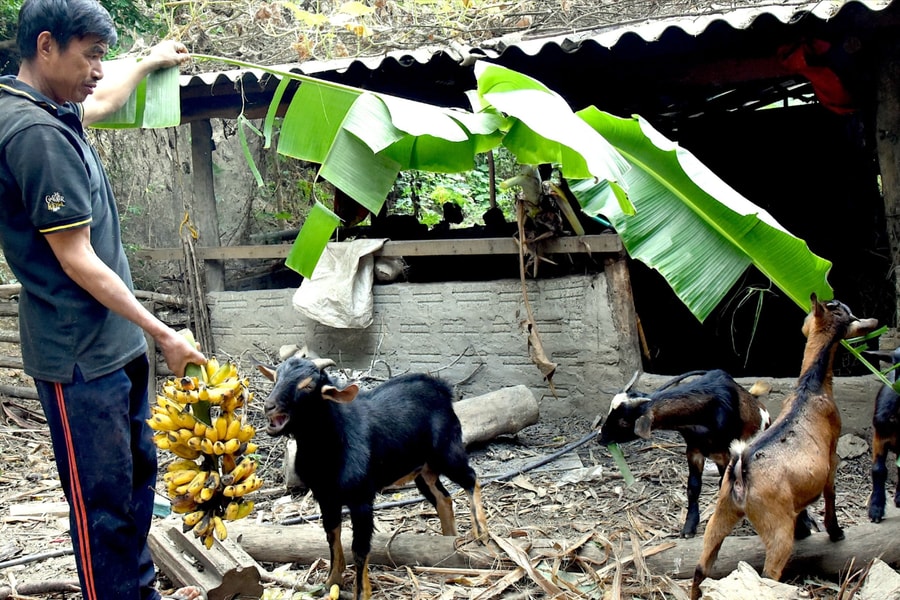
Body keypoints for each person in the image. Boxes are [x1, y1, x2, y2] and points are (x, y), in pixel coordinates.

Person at [0, 1, 208, 599]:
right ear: (46, 46)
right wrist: (163, 332)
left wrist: (148, 62)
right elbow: (76, 257)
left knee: (137, 488)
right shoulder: (36, 135)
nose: (97, 68)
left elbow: (103, 100)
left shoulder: (50, 106)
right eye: (89, 55)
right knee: (104, 512)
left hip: (112, 348)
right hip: (79, 358)